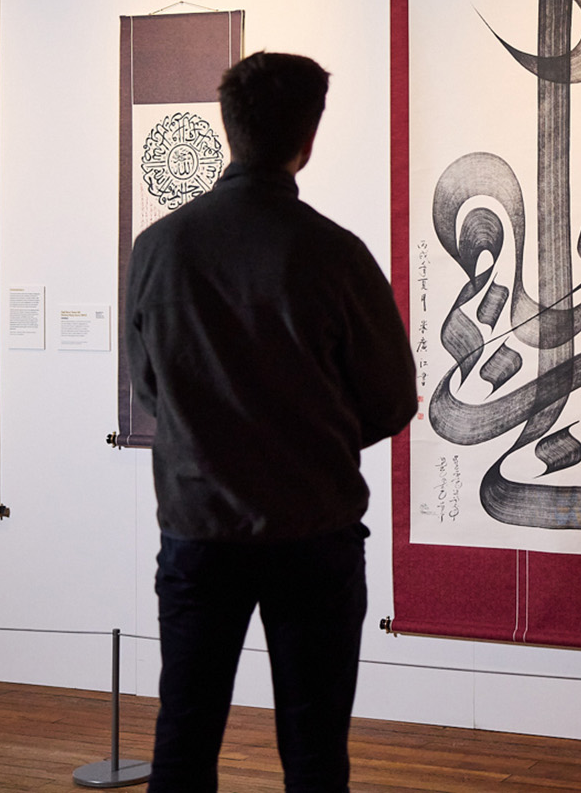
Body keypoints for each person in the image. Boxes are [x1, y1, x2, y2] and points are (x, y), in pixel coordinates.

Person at [124, 51, 417, 793]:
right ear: (307, 140)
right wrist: (304, 431)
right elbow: (391, 399)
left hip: (198, 532)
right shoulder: (336, 255)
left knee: (183, 748)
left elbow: (151, 384)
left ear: (228, 129)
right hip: (313, 534)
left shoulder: (159, 249)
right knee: (316, 756)